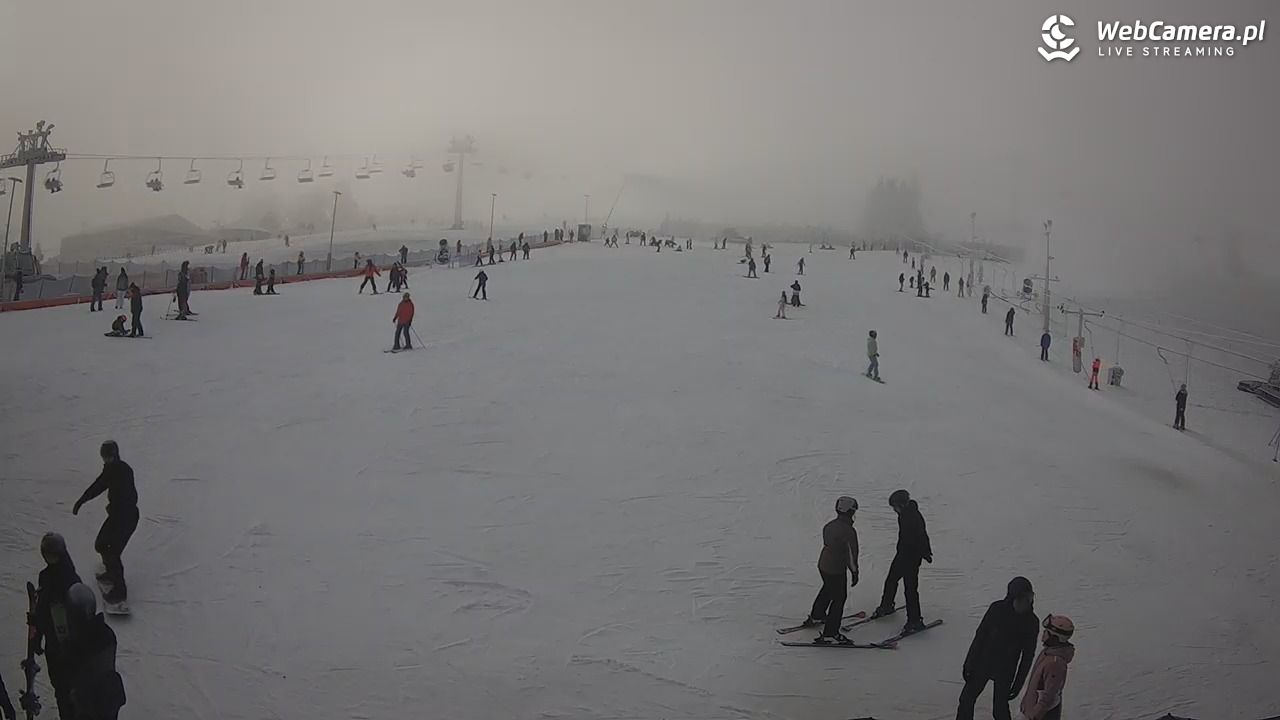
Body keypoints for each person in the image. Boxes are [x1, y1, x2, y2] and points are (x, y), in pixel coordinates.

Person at [956, 577, 1039, 720]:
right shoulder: (996, 610)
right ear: (1011, 597)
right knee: (966, 700)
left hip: (1006, 671)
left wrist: (1018, 683)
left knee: (1000, 710)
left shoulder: (1031, 622)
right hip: (982, 663)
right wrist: (969, 663)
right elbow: (980, 637)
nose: (1025, 603)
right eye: (1021, 598)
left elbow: (1027, 656)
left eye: (1029, 598)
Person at [73, 441, 139, 606]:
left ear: (115, 454)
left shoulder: (124, 471)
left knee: (113, 552)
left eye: (109, 457)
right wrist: (82, 500)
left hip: (127, 518)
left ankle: (120, 592)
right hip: (116, 517)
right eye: (105, 457)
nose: (107, 460)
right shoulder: (110, 470)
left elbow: (127, 496)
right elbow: (99, 485)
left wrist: (117, 510)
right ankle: (111, 573)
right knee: (101, 544)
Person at [32, 532, 82, 719]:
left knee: (69, 690)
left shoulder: (71, 581)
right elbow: (43, 610)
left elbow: (80, 614)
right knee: (62, 689)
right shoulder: (47, 577)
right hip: (56, 645)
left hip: (68, 646)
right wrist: (38, 635)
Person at [871, 489, 932, 633]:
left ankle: (915, 620)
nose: (894, 510)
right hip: (902, 555)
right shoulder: (904, 515)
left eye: (895, 507)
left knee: (910, 589)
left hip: (911, 558)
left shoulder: (913, 518)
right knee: (891, 579)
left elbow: (922, 536)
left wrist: (925, 553)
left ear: (902, 505)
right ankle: (887, 605)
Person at [65, 583, 127, 720]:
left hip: (90, 706)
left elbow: (74, 678)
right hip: (108, 698)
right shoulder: (106, 633)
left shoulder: (78, 644)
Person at [805, 496, 860, 644]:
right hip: (836, 569)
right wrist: (854, 572)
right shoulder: (848, 531)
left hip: (823, 564)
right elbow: (851, 554)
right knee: (839, 598)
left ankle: (817, 614)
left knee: (828, 588)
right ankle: (830, 632)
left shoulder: (829, 526)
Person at [1019, 615, 1075, 720]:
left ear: (1055, 637)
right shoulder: (1047, 653)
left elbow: (1049, 696)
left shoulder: (1055, 663)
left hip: (1042, 715)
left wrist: (1034, 715)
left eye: (1047, 632)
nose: (1043, 634)